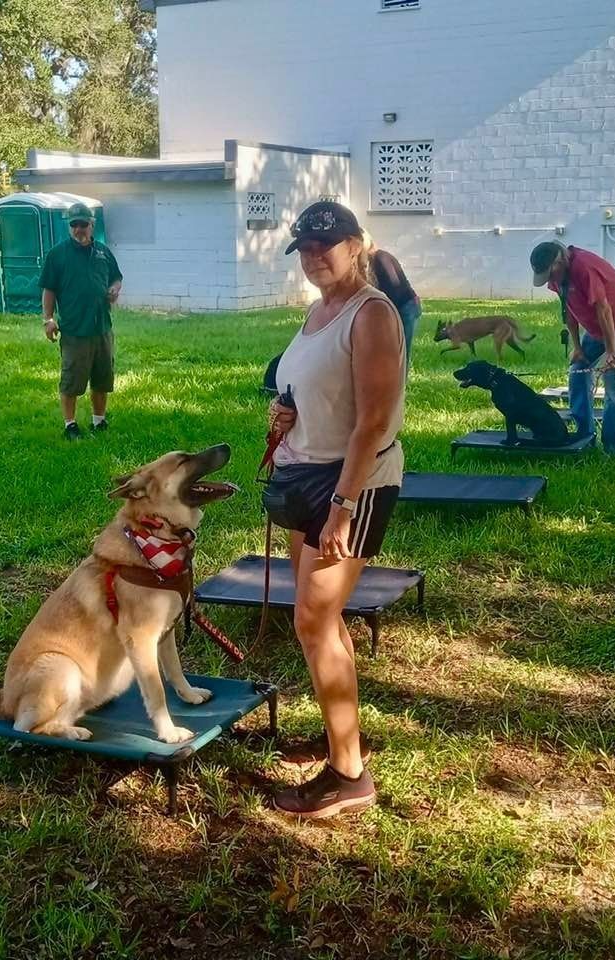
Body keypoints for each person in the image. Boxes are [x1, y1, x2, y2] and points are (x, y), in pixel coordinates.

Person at [266, 201, 406, 818]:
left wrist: (343, 508)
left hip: (352, 484)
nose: (314, 256)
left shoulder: (371, 312)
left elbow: (373, 420)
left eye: (326, 244)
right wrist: (286, 414)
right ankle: (343, 738)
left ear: (356, 245)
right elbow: (321, 393)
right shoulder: (317, 311)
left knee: (313, 621)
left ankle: (349, 777)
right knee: (324, 620)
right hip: (307, 477)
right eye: (304, 247)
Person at [39, 202, 123, 440]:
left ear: (92, 225)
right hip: (75, 329)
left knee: (102, 378)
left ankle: (99, 421)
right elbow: (48, 289)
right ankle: (70, 425)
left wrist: (115, 289)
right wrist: (48, 319)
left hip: (102, 327)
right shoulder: (57, 254)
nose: (78, 229)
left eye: (83, 224)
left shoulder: (103, 252)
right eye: (74, 224)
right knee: (72, 380)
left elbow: (116, 277)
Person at [530, 241, 615, 455]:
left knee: (614, 388)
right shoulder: (557, 277)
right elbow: (569, 310)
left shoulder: (584, 267)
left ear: (560, 261)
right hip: (596, 330)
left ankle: (614, 449)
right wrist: (577, 347)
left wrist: (611, 351)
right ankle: (584, 436)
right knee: (577, 371)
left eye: (550, 273)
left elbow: (604, 309)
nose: (550, 280)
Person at [364, 232, 420, 371]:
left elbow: (395, 285)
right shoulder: (371, 261)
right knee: (393, 349)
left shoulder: (381, 257)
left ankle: (400, 382)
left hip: (406, 306)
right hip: (399, 307)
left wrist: (387, 311)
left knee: (402, 350)